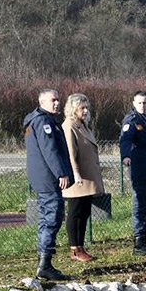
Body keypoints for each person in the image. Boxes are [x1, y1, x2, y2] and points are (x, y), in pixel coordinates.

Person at [24, 88, 74, 280]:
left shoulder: (39, 120)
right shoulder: (43, 121)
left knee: (46, 218)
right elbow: (50, 150)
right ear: (42, 102)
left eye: (58, 100)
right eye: (53, 100)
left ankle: (44, 261)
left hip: (42, 177)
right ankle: (45, 264)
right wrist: (61, 173)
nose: (57, 103)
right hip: (48, 178)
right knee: (52, 217)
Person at [61, 92, 104, 263]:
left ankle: (80, 246)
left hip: (88, 175)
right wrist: (76, 173)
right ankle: (74, 248)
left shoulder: (83, 125)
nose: (85, 111)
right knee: (75, 211)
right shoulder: (69, 125)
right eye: (82, 108)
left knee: (85, 211)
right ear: (73, 108)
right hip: (78, 177)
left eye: (87, 107)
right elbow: (71, 153)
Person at [118, 91, 146, 255]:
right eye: (139, 103)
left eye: (145, 103)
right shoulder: (132, 120)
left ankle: (144, 239)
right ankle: (139, 242)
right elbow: (125, 139)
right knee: (140, 206)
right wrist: (126, 156)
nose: (143, 106)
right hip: (139, 168)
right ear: (134, 103)